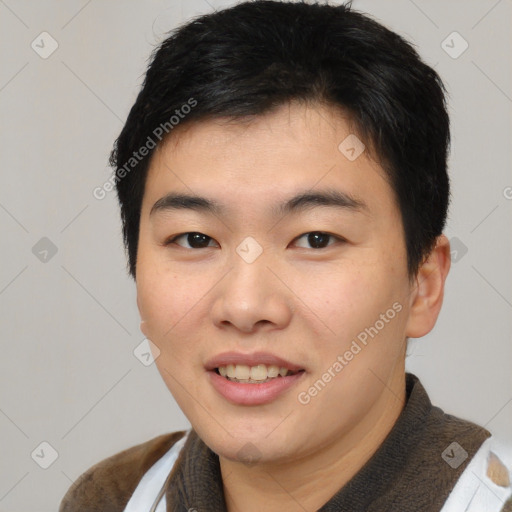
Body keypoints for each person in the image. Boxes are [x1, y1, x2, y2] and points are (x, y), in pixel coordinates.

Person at [59, 1, 512, 510]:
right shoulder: (115, 495)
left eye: (316, 239)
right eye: (195, 239)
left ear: (423, 285)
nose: (246, 306)